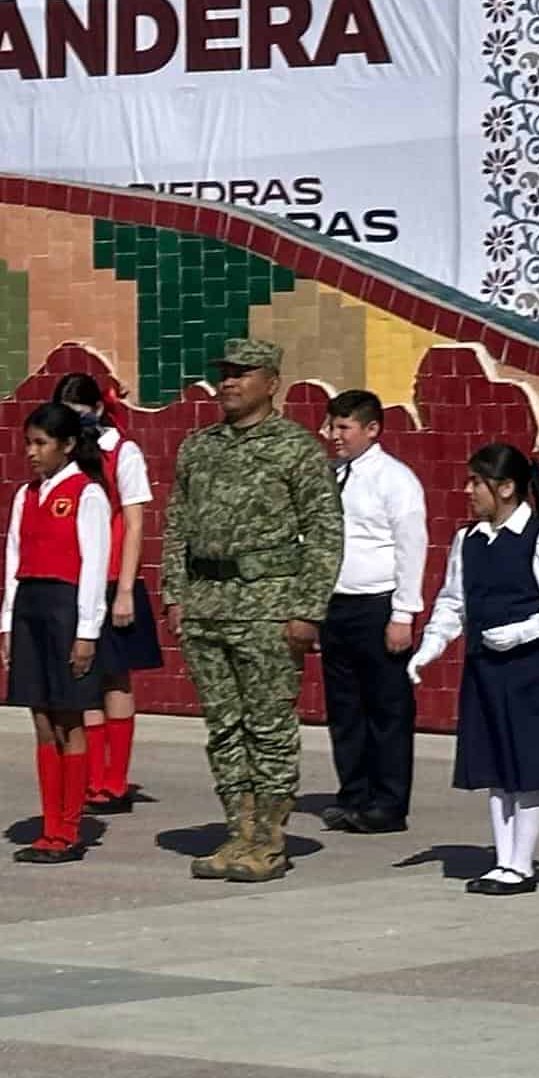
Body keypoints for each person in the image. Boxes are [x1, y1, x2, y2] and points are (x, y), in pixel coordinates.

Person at [159, 338, 341, 883]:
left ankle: (269, 837)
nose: (229, 382)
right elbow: (178, 524)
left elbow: (326, 532)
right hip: (208, 604)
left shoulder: (296, 449)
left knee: (268, 727)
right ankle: (237, 830)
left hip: (268, 606)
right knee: (224, 726)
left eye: (242, 373)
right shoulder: (199, 446)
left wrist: (307, 608)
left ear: (271, 382)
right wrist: (175, 594)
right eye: (225, 373)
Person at [412, 444, 539, 896]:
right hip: (483, 666)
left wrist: (523, 631)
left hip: (527, 672)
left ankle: (521, 864)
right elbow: (453, 602)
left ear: (506, 488)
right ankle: (502, 858)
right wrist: (429, 646)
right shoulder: (468, 540)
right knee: (493, 763)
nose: (468, 491)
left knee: (526, 764)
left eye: (476, 483)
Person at [1, 399, 115, 865]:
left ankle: (69, 828)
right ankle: (48, 823)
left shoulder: (86, 494)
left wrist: (87, 631)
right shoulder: (26, 495)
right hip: (30, 607)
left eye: (41, 443)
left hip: (66, 610)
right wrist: (7, 622)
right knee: (42, 719)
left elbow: (93, 568)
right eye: (28, 443)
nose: (32, 452)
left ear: (67, 446)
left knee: (71, 718)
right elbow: (12, 560)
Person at [317, 388, 431, 836]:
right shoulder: (332, 474)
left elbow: (411, 547)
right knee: (344, 707)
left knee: (387, 708)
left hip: (377, 603)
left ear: (372, 429)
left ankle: (388, 802)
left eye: (344, 427)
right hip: (336, 603)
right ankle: (353, 794)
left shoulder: (394, 479)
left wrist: (403, 613)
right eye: (332, 426)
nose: (334, 436)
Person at [48, 371, 159, 812]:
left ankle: (115, 779)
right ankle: (92, 775)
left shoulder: (122, 451)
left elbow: (133, 523)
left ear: (97, 409)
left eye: (79, 414)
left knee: (115, 675)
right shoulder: (66, 456)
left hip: (114, 577)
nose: (75, 423)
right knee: (83, 678)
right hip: (73, 579)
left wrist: (126, 590)